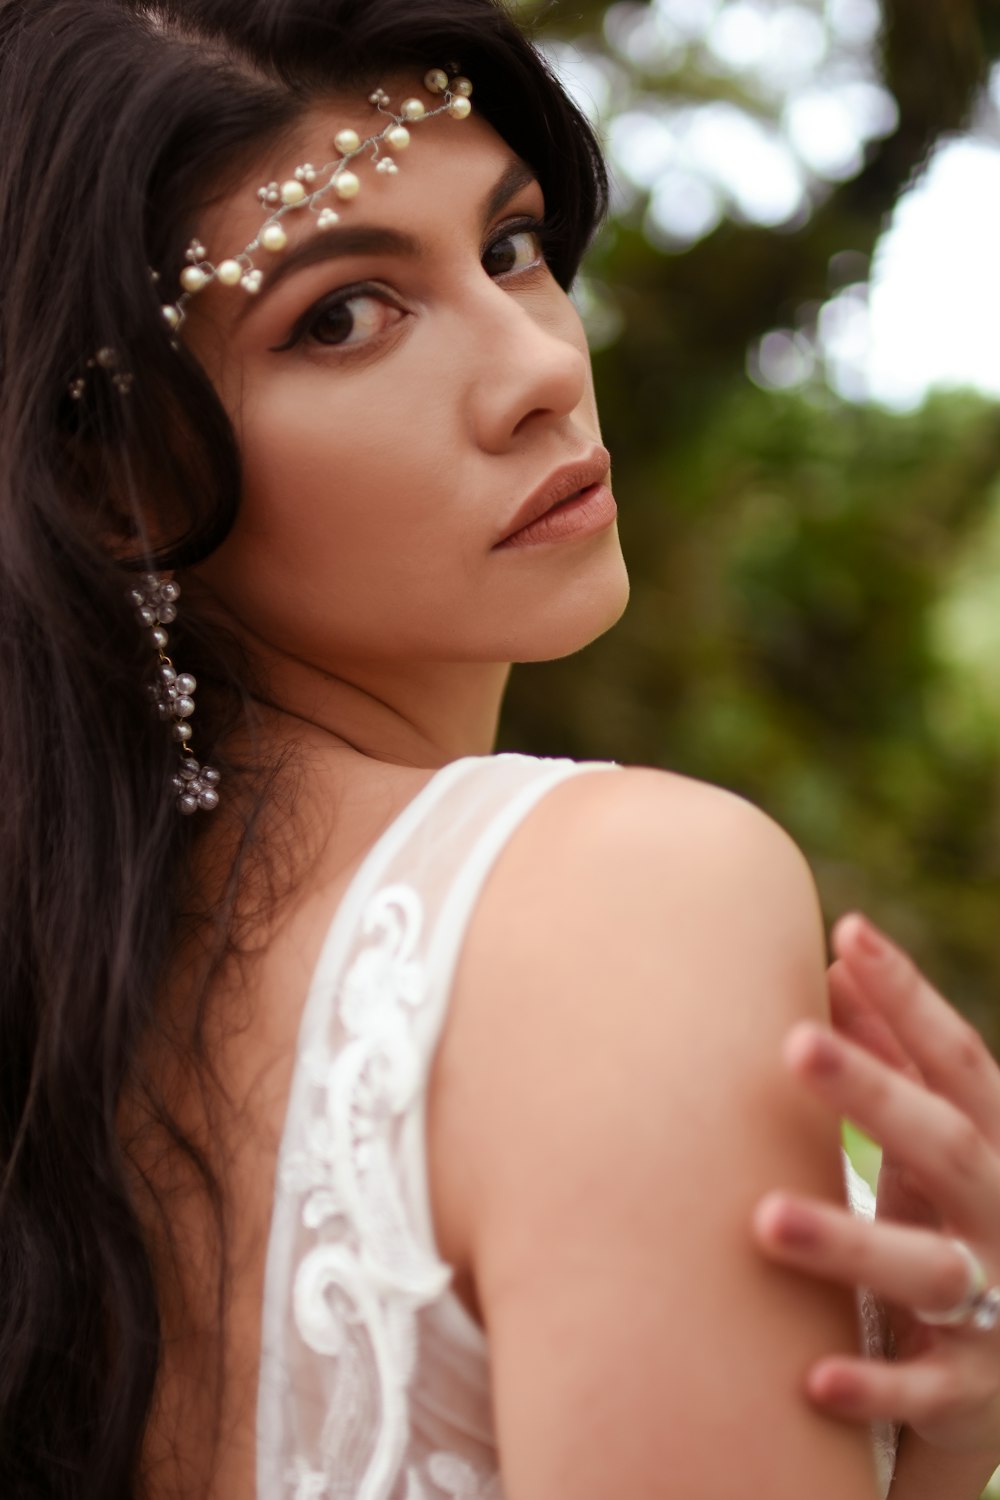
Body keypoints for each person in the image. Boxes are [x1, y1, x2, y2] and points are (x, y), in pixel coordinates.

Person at [0, 2, 998, 1497]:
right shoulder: (621, 901)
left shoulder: (63, 1038)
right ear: (116, 479)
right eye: (342, 315)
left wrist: (933, 1446)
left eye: (513, 246)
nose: (535, 363)